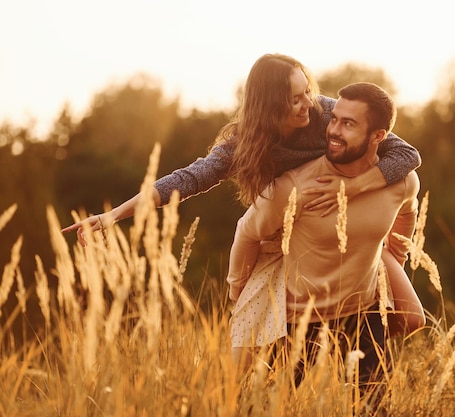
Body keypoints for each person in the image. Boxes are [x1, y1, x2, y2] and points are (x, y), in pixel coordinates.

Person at [61, 53, 424, 360]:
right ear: (270, 106)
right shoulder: (244, 144)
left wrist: (352, 186)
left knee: (411, 318)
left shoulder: (325, 112)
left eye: (307, 92)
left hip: (351, 229)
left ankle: (355, 354)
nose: (309, 104)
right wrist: (114, 215)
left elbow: (407, 154)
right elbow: (186, 180)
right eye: (295, 99)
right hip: (284, 236)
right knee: (259, 351)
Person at [226, 82, 424, 394]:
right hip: (299, 322)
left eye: (348, 124)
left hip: (365, 315)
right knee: (264, 407)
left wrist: (393, 259)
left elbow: (407, 211)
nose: (333, 130)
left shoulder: (400, 181)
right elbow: (247, 232)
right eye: (334, 119)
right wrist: (237, 287)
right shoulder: (296, 186)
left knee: (374, 410)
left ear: (378, 137)